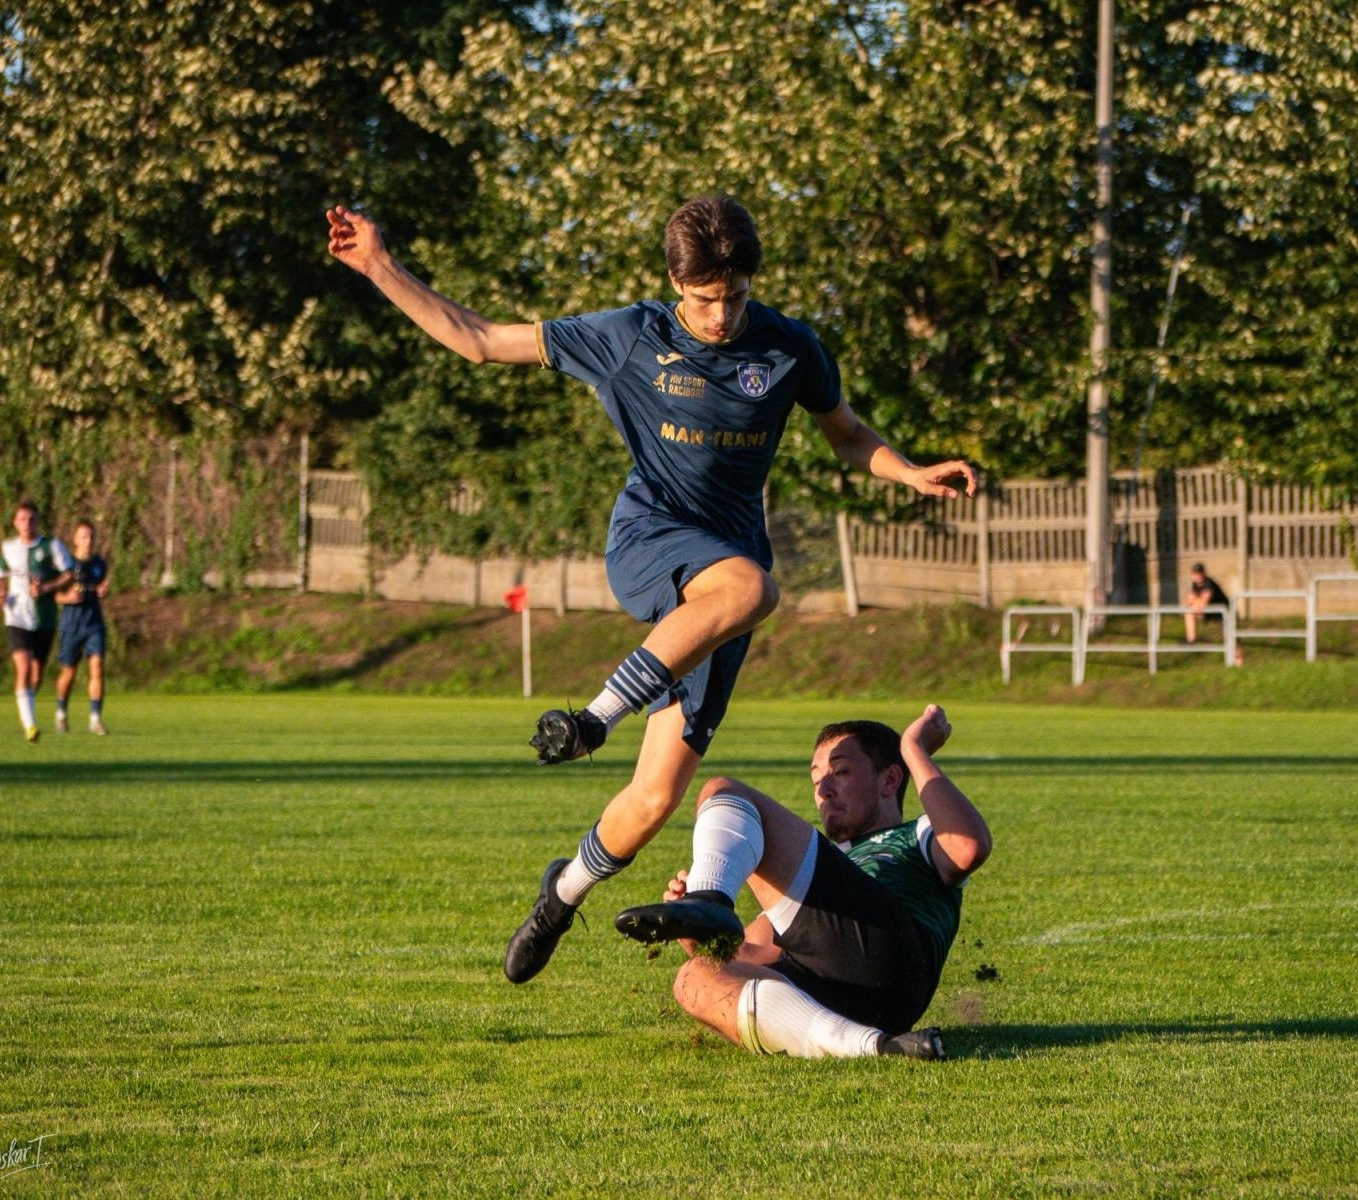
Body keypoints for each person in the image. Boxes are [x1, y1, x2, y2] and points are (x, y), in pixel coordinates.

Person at [328, 196, 979, 984]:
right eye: (706, 299)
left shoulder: (789, 345)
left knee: (654, 798)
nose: (721, 314)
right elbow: (479, 341)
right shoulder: (629, 336)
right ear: (675, 283)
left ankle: (557, 896)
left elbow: (847, 436)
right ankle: (594, 719)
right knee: (754, 588)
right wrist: (379, 265)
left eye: (735, 296)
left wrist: (907, 469)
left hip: (721, 592)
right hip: (652, 543)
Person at [613, 703, 991, 1060]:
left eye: (840, 773)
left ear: (890, 779)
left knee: (721, 791)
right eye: (816, 780)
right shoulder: (819, 888)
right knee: (695, 979)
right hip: (859, 1005)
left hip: (897, 952)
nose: (824, 790)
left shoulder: (917, 834)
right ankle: (870, 1046)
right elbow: (746, 955)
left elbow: (967, 847)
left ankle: (711, 896)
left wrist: (912, 749)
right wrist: (691, 930)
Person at [0, 501, 74, 742]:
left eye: (31, 519)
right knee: (24, 668)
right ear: (15, 522)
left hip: (44, 618)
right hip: (16, 616)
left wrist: (48, 586)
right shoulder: (9, 548)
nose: (27, 524)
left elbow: (69, 573)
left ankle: (28, 714)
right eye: (22, 519)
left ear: (38, 521)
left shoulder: (51, 545)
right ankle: (30, 725)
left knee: (36, 674)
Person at [54, 519, 111, 735]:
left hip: (94, 623)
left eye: (91, 536)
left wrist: (103, 592)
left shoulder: (99, 564)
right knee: (69, 671)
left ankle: (95, 719)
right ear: (75, 539)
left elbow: (101, 587)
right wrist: (67, 597)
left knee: (97, 668)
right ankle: (61, 713)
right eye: (84, 536)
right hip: (71, 624)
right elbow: (55, 596)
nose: (88, 541)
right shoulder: (66, 564)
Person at [1184, 562, 1242, 665]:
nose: (1197, 576)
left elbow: (1203, 602)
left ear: (1204, 574)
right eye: (1195, 574)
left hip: (1224, 612)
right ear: (1192, 575)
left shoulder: (1209, 583)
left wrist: (1196, 601)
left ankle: (1239, 659)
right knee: (1189, 612)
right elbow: (1189, 602)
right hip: (1211, 612)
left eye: (1199, 573)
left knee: (1231, 635)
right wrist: (1196, 602)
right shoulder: (1194, 585)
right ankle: (1191, 640)